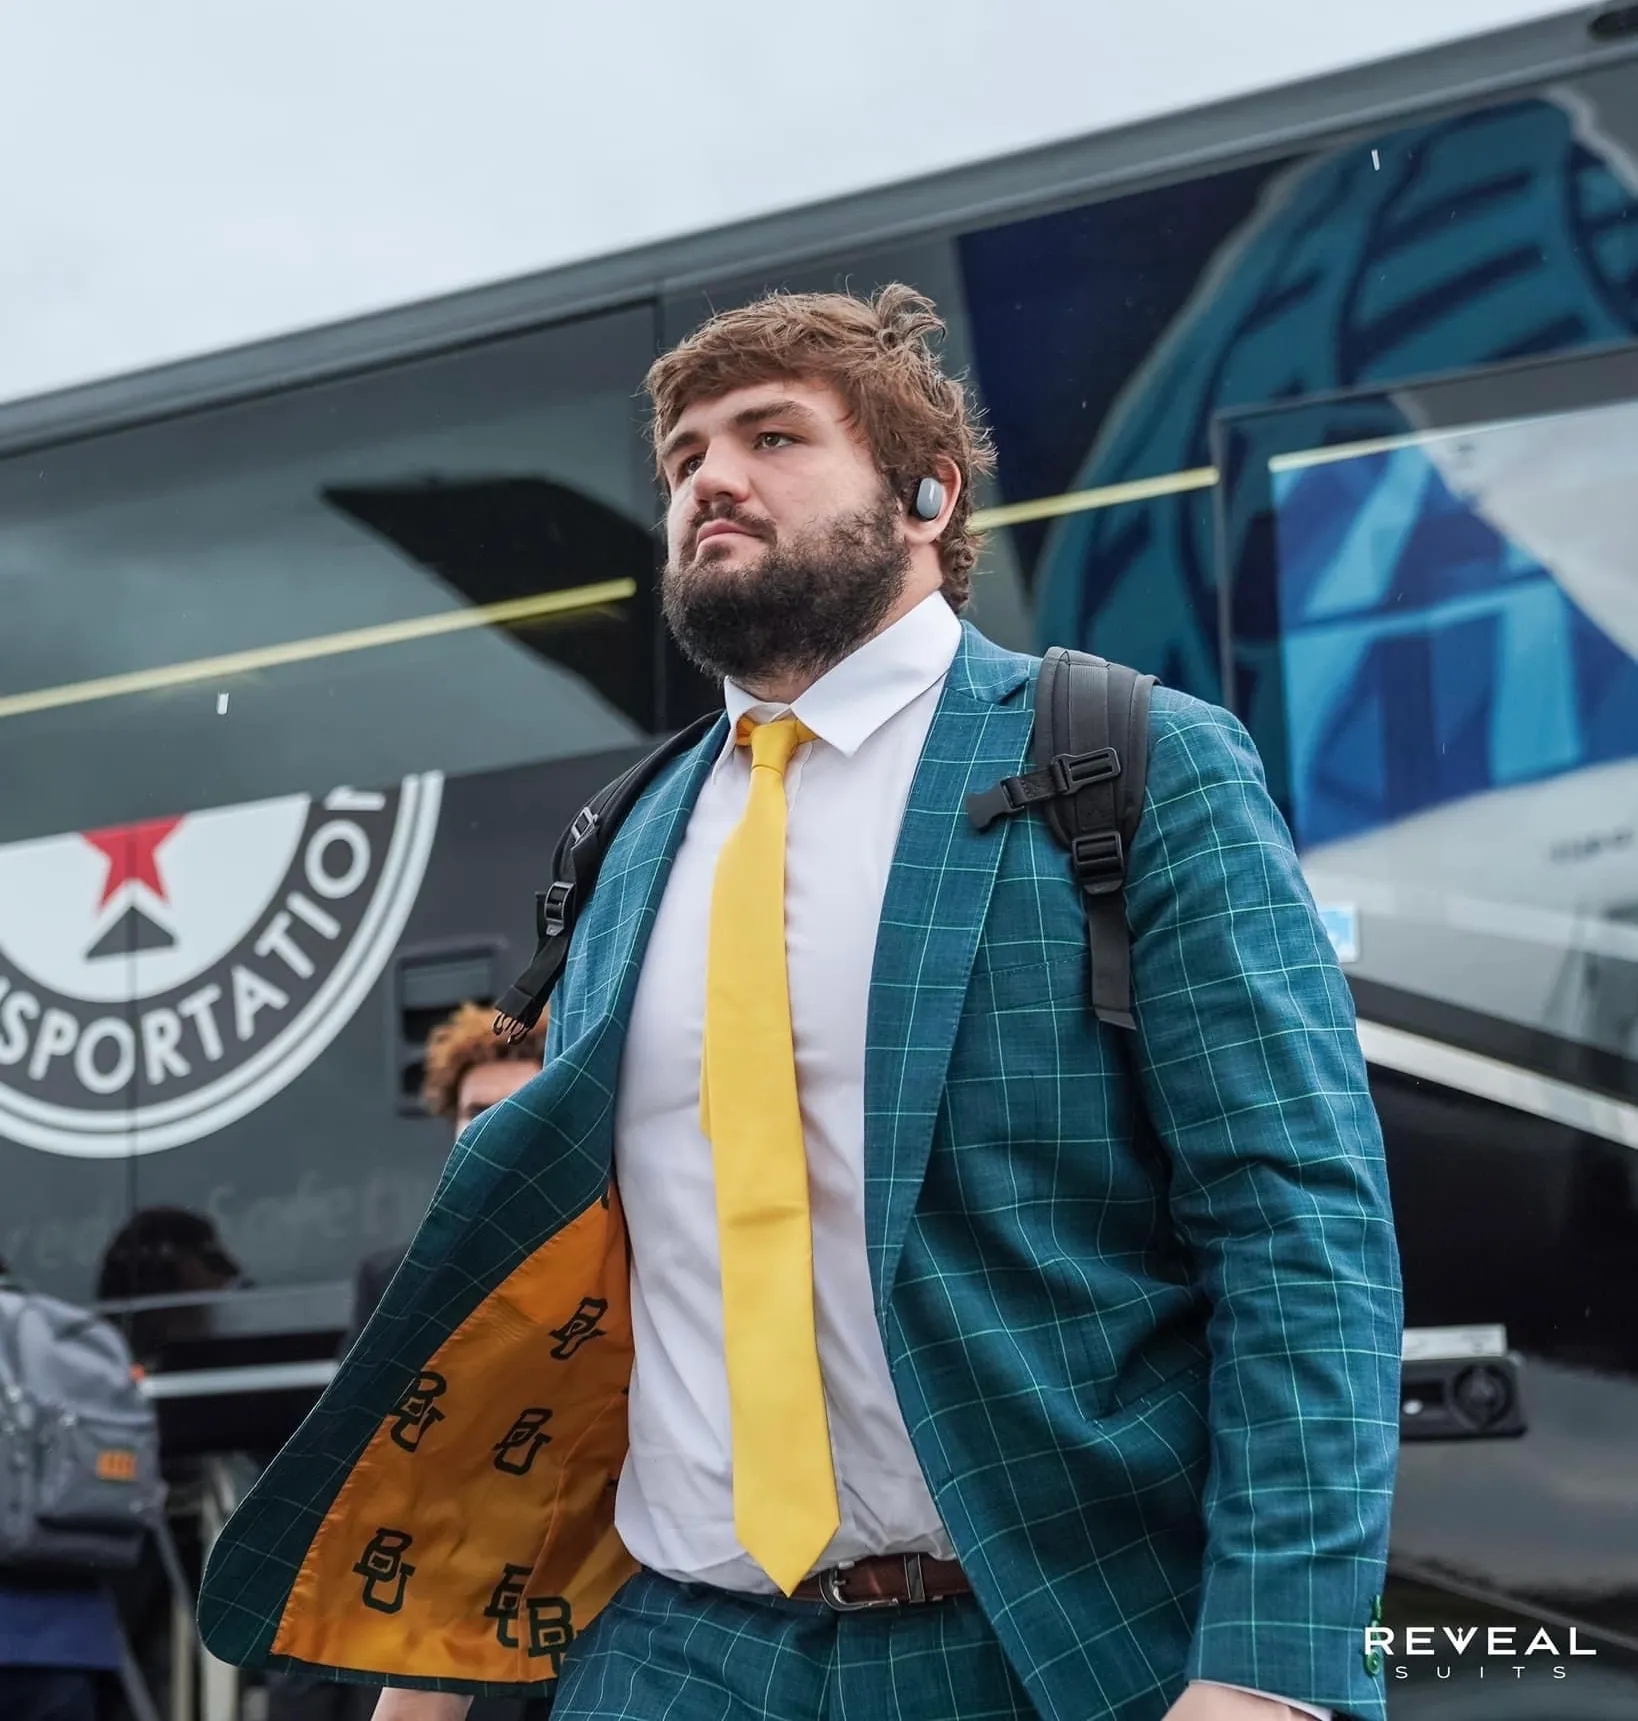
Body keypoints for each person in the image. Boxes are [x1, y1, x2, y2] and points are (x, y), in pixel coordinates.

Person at [198, 286, 1403, 1721]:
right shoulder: (621, 839)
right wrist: (428, 1674)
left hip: (1047, 1651)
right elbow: (589, 1286)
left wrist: (1268, 1673)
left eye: (772, 435)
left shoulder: (1131, 762)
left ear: (924, 493)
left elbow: (1297, 1234)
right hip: (668, 1657)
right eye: (685, 456)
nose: (710, 475)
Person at [266, 1004, 549, 1721]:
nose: (493, 1127)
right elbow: (346, 1470)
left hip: (565, 1641)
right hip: (422, 1634)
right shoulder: (394, 1277)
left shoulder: (619, 1259)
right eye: (476, 1109)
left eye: (519, 1106)